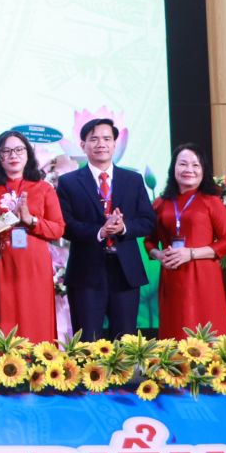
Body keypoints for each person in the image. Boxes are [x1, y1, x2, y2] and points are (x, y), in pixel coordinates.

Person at [57, 118, 156, 341]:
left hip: (125, 272)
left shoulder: (133, 180)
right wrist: (100, 232)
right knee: (87, 341)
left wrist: (123, 228)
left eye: (106, 138)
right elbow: (66, 225)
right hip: (86, 272)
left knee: (126, 340)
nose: (100, 144)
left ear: (114, 144)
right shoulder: (68, 182)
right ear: (83, 145)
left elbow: (148, 221)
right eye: (94, 139)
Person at [0, 130, 66, 341]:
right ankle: (7, 362)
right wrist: (4, 221)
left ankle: (40, 360)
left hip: (35, 264)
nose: (13, 155)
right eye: (6, 151)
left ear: (28, 154)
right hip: (1, 263)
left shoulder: (43, 188)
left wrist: (30, 220)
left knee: (36, 318)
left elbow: (58, 229)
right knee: (5, 320)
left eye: (18, 150)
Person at [147, 143, 226, 337]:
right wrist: (159, 255)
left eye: (195, 165)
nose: (189, 170)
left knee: (206, 333)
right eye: (183, 164)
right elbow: (149, 241)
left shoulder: (212, 202)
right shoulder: (160, 203)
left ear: (203, 170)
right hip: (172, 274)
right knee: (175, 330)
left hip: (203, 275)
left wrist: (191, 253)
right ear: (173, 168)